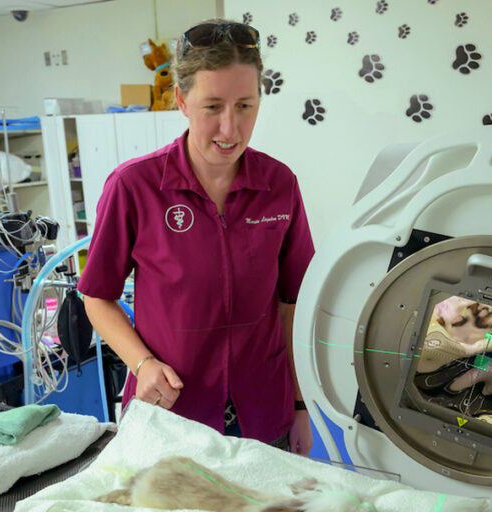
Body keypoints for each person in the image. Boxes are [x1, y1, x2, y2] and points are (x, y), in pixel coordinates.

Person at [79, 19, 316, 455]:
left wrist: (301, 406)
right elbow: (97, 296)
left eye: (245, 106)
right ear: (181, 101)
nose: (231, 129)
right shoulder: (135, 186)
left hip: (264, 411)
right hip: (171, 412)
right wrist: (142, 363)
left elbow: (292, 306)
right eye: (213, 107)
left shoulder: (280, 185)